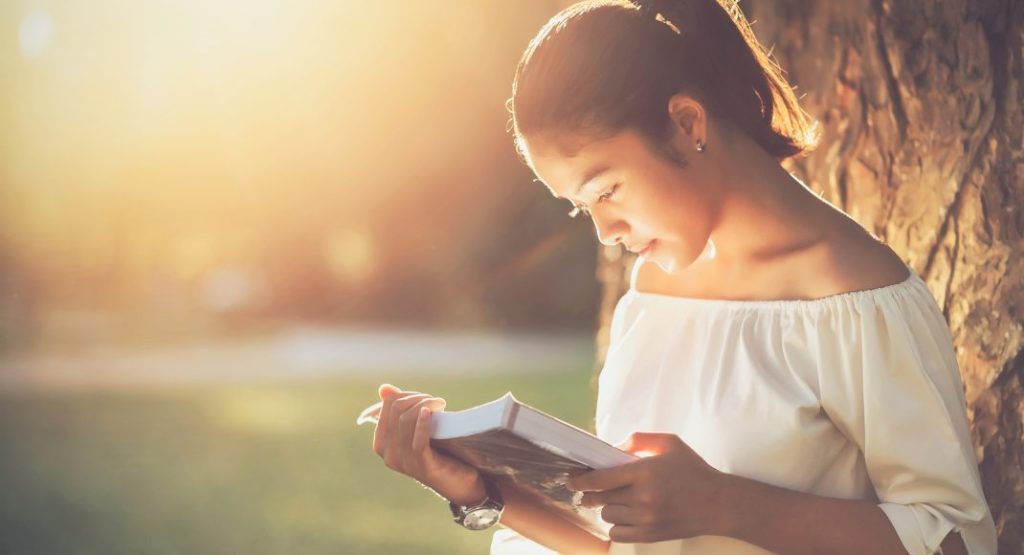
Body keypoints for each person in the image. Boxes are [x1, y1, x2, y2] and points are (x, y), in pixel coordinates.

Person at [370, 0, 999, 553]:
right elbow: (627, 544)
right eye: (580, 206)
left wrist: (729, 505)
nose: (604, 231)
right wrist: (482, 491)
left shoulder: (855, 300)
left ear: (688, 123)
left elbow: (955, 541)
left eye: (607, 189)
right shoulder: (650, 294)